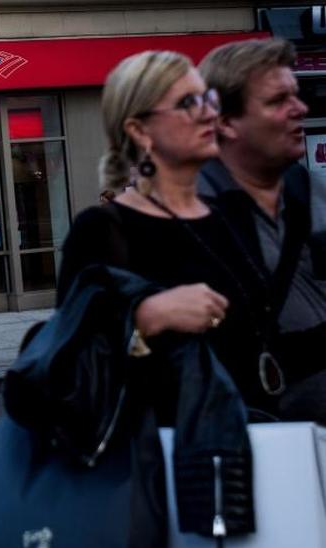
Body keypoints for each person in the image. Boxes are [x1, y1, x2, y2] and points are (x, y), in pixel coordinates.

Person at [58, 50, 281, 415]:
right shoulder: (102, 231)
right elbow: (68, 361)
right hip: (160, 452)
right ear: (140, 130)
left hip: (257, 440)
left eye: (209, 98)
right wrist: (146, 317)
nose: (209, 112)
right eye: (188, 103)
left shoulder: (235, 214)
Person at [197, 38, 326, 423]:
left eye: (296, 95)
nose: (299, 109)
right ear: (223, 121)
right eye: (277, 101)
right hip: (260, 445)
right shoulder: (191, 212)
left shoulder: (302, 186)